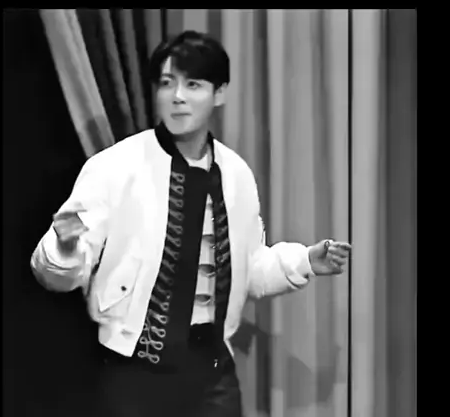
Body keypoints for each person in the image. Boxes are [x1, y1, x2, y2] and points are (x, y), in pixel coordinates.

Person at [31, 30, 351, 417]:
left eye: (193, 84)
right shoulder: (114, 167)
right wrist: (64, 247)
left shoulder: (235, 175)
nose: (177, 96)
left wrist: (305, 261)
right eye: (167, 83)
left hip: (212, 371)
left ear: (220, 92)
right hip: (134, 369)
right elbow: (56, 275)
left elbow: (250, 271)